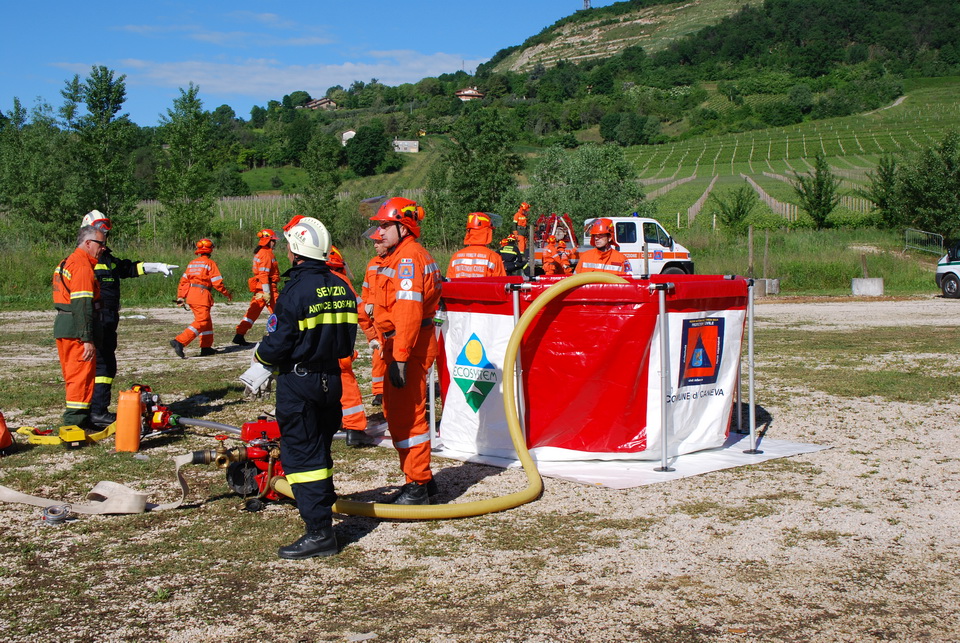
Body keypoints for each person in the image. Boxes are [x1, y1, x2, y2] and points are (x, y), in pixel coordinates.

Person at [252, 215, 357, 559]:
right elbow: (346, 342)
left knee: (302, 457)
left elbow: (277, 342)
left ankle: (319, 533)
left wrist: (260, 360)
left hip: (300, 382)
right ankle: (322, 509)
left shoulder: (295, 291)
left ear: (296, 249)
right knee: (320, 452)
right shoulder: (341, 286)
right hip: (332, 379)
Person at [368, 197, 443, 505]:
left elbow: (409, 312)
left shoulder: (409, 259)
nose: (380, 232)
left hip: (407, 346)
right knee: (399, 412)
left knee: (408, 416)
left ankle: (418, 485)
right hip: (401, 344)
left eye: (386, 226)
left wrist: (400, 357)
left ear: (404, 226)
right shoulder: (400, 256)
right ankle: (421, 479)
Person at [80, 210, 178, 427]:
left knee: (104, 365)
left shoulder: (106, 258)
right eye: (100, 235)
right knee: (103, 365)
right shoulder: (84, 260)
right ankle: (96, 412)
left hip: (108, 318)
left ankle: (92, 411)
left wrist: (156, 267)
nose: (104, 240)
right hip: (97, 317)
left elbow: (127, 268)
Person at [53, 225, 106, 430]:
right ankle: (75, 423)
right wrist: (87, 339)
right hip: (76, 330)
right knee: (80, 377)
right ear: (88, 243)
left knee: (73, 375)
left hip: (65, 326)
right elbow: (82, 305)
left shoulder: (67, 262)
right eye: (101, 244)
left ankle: (81, 419)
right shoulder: (82, 266)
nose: (103, 248)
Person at [326, 245, 376, 448]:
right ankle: (354, 429)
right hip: (338, 346)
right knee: (347, 386)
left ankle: (327, 421)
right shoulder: (341, 282)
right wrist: (372, 336)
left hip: (312, 347)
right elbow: (360, 311)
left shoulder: (306, 279)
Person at [171, 238, 232, 358]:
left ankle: (206, 347)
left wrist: (181, 296)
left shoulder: (192, 263)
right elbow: (217, 282)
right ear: (211, 249)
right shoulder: (210, 263)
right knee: (202, 321)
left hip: (191, 295)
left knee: (206, 321)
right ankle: (180, 341)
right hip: (202, 295)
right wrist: (226, 293)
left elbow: (184, 281)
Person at [233, 228, 281, 347]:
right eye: (273, 241)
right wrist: (267, 292)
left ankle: (239, 335)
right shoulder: (266, 254)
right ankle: (280, 336)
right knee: (280, 311)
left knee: (252, 313)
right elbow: (264, 274)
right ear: (268, 241)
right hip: (267, 287)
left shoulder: (260, 252)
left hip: (260, 288)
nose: (275, 243)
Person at [360, 227, 388, 407]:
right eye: (374, 242)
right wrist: (366, 305)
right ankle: (379, 391)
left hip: (390, 317)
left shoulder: (395, 262)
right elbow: (366, 289)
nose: (375, 246)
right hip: (374, 318)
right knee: (378, 354)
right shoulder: (372, 264)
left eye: (378, 242)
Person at [446, 212, 506, 279]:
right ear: (487, 232)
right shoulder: (493, 257)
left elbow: (448, 282)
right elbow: (502, 283)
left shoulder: (456, 257)